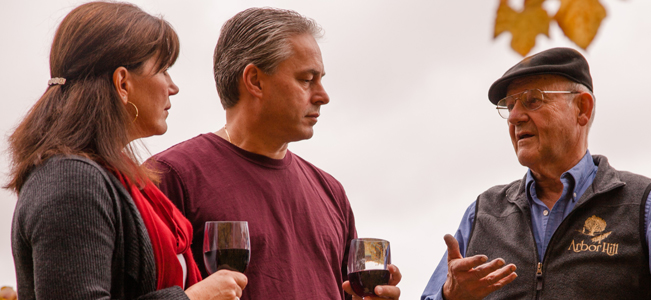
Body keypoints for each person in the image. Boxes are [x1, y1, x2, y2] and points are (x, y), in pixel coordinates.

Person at [420, 48, 651, 300]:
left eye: (532, 101)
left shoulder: (642, 203)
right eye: (510, 106)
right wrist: (450, 297)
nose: (515, 117)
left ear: (582, 108)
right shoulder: (484, 212)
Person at [145, 8, 401, 300]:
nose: (323, 95)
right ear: (254, 80)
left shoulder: (331, 191)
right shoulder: (168, 176)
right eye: (307, 79)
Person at [7, 2, 247, 300]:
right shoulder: (71, 181)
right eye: (163, 70)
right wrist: (193, 298)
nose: (173, 87)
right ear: (122, 83)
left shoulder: (112, 179)